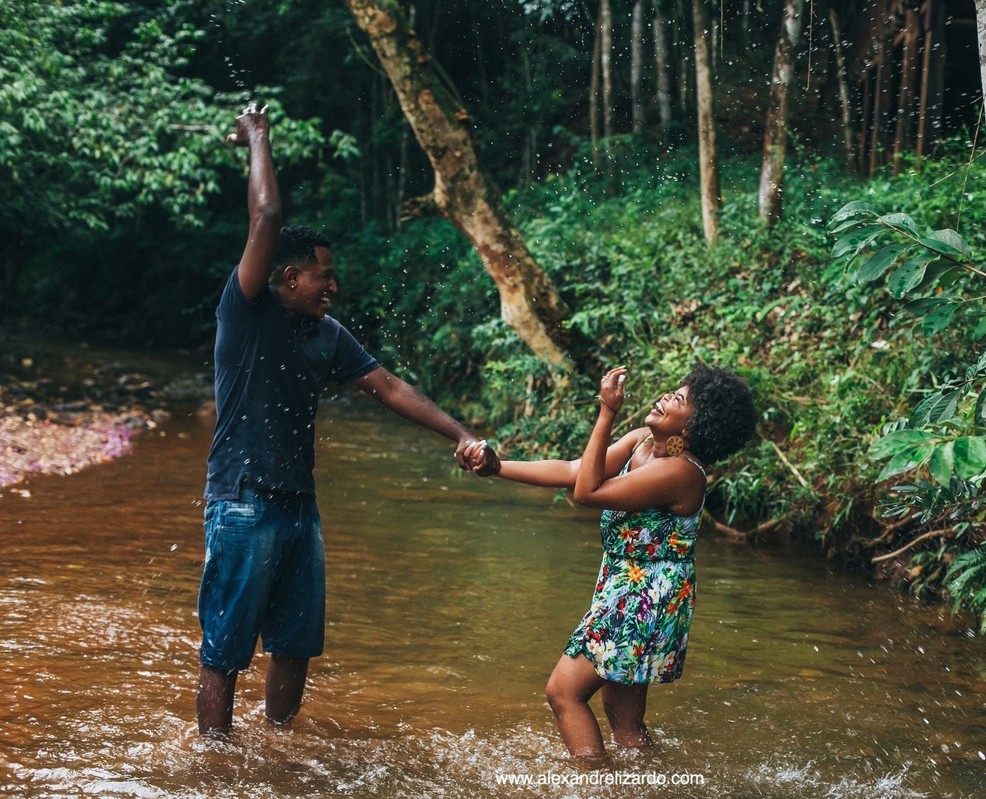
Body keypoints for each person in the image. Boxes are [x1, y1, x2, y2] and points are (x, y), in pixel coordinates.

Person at [197, 103, 499, 739]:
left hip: (298, 506)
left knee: (296, 646)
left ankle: (279, 750)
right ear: (289, 276)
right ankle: (214, 762)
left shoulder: (326, 333)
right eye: (323, 277)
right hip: (242, 500)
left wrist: (463, 434)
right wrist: (258, 136)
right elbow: (266, 216)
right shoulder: (246, 310)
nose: (332, 288)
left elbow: (388, 387)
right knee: (225, 650)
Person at [465, 363, 755, 765]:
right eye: (674, 391)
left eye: (679, 399)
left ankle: (595, 783)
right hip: (627, 588)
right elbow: (575, 470)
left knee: (563, 693)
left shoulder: (680, 472)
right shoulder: (641, 443)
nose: (667, 396)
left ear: (694, 427)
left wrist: (607, 412)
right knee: (624, 721)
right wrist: (498, 468)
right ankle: (646, 785)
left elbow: (587, 492)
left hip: (645, 599)